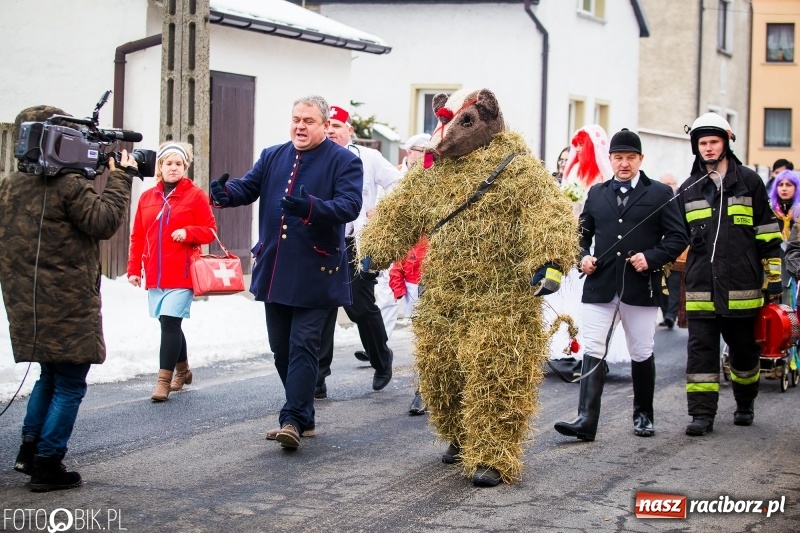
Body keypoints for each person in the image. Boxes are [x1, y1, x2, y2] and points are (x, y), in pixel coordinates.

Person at [208, 96, 363, 448]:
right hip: (276, 267)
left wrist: (311, 207)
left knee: (303, 346)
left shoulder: (343, 161)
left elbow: (350, 205)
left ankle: (291, 419)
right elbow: (247, 188)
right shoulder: (273, 155)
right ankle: (304, 413)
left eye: (309, 120)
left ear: (325, 126)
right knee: (281, 349)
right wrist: (224, 194)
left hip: (316, 270)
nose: (300, 126)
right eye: (296, 119)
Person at [1, 105, 137, 491]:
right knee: (71, 381)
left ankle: (29, 451)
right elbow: (104, 221)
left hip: (28, 299)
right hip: (68, 302)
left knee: (50, 372)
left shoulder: (10, 186)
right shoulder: (69, 186)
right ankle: (48, 463)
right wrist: (120, 178)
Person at [554, 129, 688, 441]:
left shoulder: (658, 194)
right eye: (618, 157)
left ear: (641, 159)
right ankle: (586, 419)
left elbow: (678, 237)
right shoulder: (597, 193)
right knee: (594, 347)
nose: (624, 163)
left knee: (641, 350)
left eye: (630, 157)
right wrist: (582, 257)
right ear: (610, 159)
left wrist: (652, 258)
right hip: (600, 283)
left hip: (640, 286)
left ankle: (643, 415)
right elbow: (582, 235)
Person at [677, 113, 783, 436]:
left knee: (744, 353)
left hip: (742, 290)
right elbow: (675, 239)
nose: (708, 148)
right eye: (702, 143)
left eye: (713, 142)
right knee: (700, 355)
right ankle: (701, 415)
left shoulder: (749, 182)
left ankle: (745, 403)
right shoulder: (687, 189)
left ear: (726, 143)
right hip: (701, 290)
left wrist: (774, 277)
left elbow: (768, 234)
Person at [315, 105, 400, 399]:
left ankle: (381, 361)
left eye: (336, 126)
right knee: (322, 308)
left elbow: (401, 185)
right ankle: (318, 377)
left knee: (359, 307)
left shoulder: (369, 158)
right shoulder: (314, 157)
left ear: (349, 130)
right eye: (327, 125)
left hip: (356, 244)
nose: (330, 131)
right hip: (323, 244)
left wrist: (385, 209)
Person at [127, 142, 217, 402]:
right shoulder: (147, 198)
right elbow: (137, 236)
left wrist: (189, 232)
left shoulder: (196, 195)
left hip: (183, 272)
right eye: (169, 163)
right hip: (155, 273)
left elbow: (210, 230)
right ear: (160, 167)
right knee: (170, 324)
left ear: (185, 168)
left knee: (169, 322)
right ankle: (184, 370)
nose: (174, 168)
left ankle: (163, 382)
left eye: (179, 164)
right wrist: (134, 269)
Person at [545, 125, 629, 377]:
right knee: (569, 300)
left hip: (597, 246)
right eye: (576, 145)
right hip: (574, 244)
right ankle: (570, 348)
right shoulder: (570, 175)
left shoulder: (603, 178)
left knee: (593, 304)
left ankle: (593, 355)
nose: (578, 150)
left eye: (583, 145)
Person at [389, 235, 430, 415]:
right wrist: (399, 291)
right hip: (416, 300)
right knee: (425, 346)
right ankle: (423, 392)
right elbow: (396, 270)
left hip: (441, 296)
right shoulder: (409, 241)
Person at [768, 169, 800, 304]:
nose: (784, 188)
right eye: (780, 185)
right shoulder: (768, 211)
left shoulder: (798, 214)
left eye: (789, 185)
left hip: (794, 271)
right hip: (773, 268)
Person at [658, 173, 681, 329]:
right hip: (660, 250)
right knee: (660, 284)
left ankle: (670, 316)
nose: (667, 186)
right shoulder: (657, 200)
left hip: (677, 252)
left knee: (673, 284)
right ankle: (666, 312)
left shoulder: (680, 199)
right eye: (664, 183)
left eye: (669, 183)